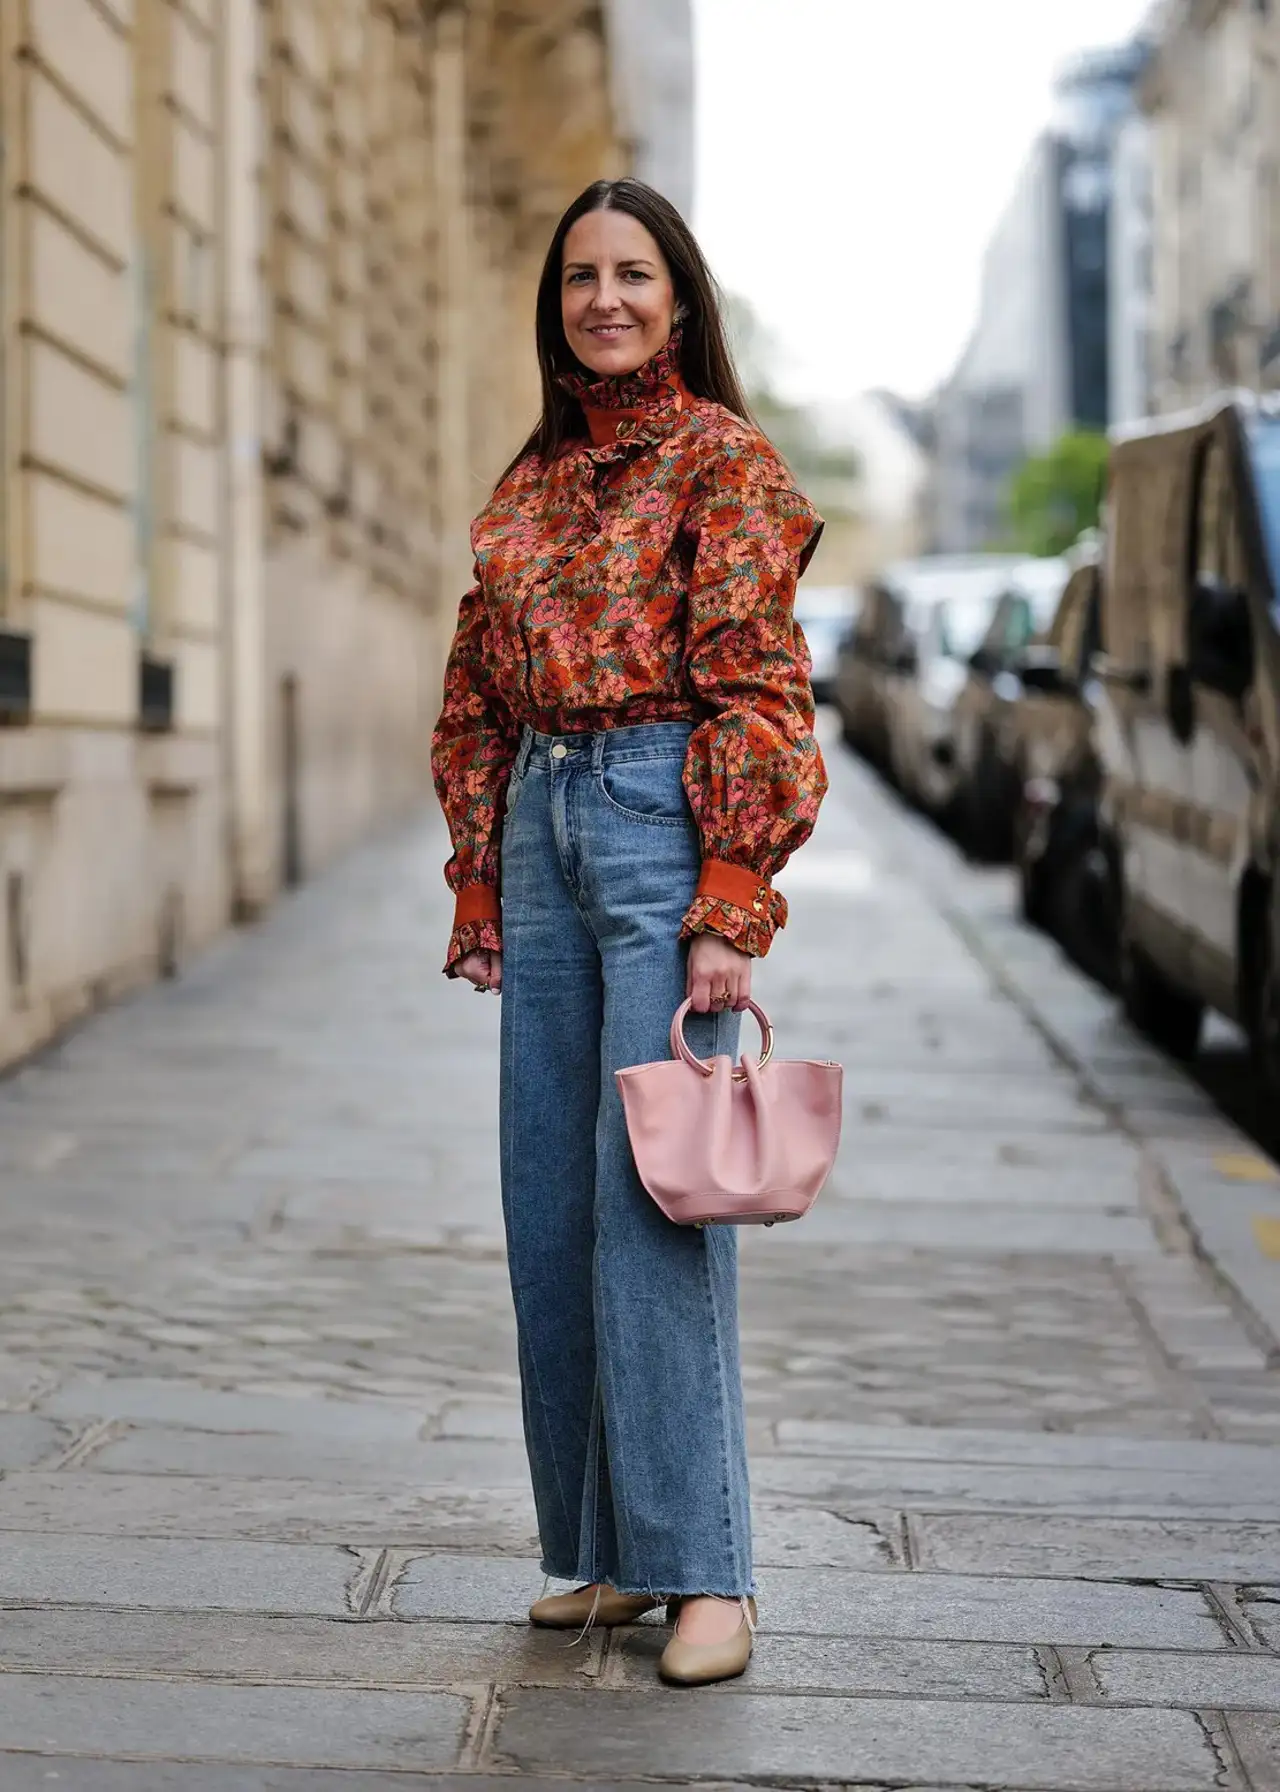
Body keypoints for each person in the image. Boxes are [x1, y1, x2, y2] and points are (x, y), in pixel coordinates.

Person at [430, 178, 826, 1687]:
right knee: (553, 1200)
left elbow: (761, 684)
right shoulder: (534, 479)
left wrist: (732, 892)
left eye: (635, 274)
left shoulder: (722, 462)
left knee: (661, 1200)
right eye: (582, 276)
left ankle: (707, 1572)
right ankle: (599, 1549)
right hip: (539, 822)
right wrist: (480, 867)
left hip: (664, 815)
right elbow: (477, 684)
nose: (605, 298)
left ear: (680, 298)